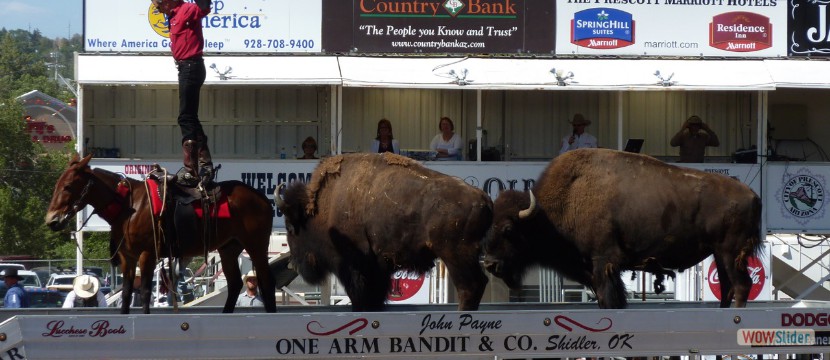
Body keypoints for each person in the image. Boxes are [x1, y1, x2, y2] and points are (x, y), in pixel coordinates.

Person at [150, 0, 214, 187]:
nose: (158, 9)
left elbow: (204, 8)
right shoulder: (174, 16)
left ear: (167, 2)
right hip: (186, 67)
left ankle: (191, 169)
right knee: (190, 117)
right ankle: (204, 163)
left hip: (190, 66)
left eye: (159, 5)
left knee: (185, 117)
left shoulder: (186, 10)